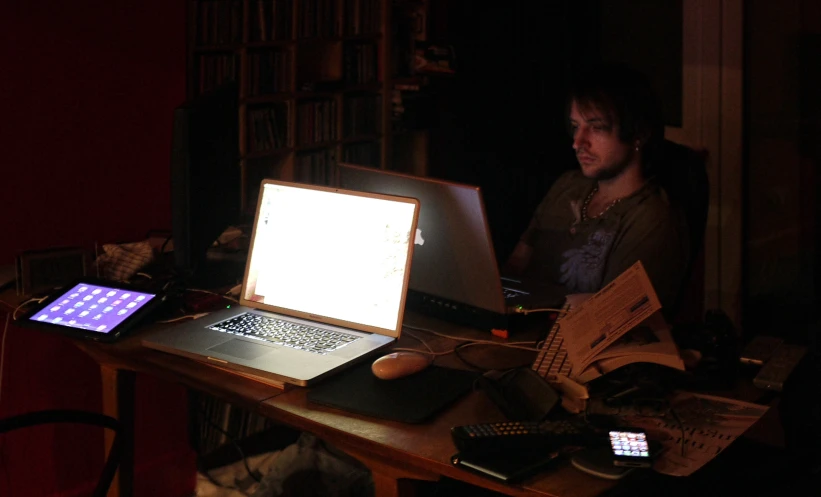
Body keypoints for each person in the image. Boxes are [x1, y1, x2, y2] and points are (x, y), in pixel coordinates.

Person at [504, 63, 689, 314]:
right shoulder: (568, 185)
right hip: (517, 328)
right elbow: (515, 266)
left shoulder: (650, 218)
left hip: (577, 345)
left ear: (638, 134)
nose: (578, 142)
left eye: (597, 127)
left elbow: (613, 318)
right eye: (576, 126)